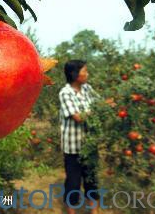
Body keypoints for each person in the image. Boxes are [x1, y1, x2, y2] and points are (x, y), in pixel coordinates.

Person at [59, 60, 112, 214]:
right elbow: (78, 117)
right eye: (85, 71)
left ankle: (94, 212)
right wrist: (101, 107)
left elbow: (101, 104)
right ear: (75, 74)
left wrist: (112, 104)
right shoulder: (65, 93)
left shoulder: (88, 89)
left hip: (90, 145)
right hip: (73, 148)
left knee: (92, 182)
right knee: (73, 183)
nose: (87, 74)